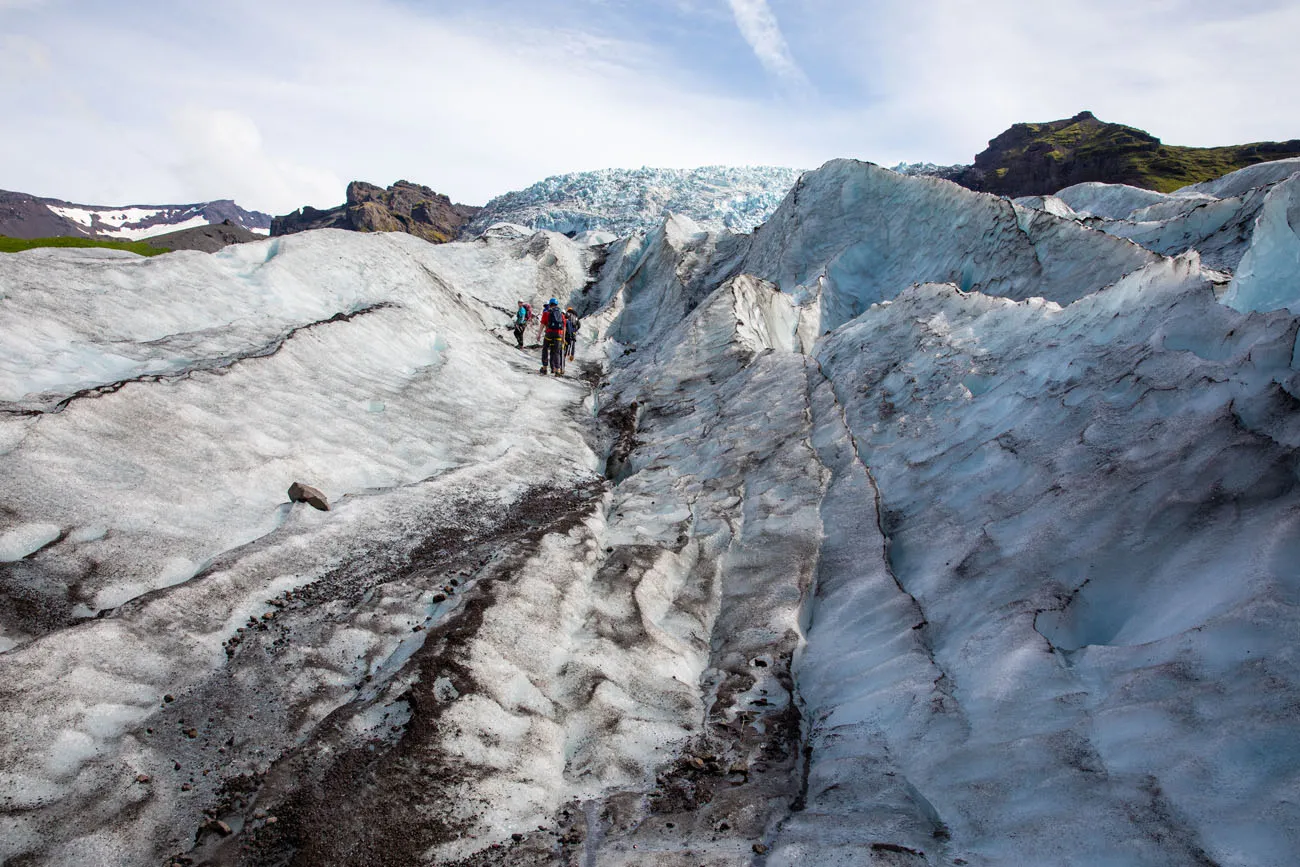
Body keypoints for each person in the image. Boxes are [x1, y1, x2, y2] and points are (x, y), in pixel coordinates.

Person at [539, 299, 566, 375]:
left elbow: (542, 324)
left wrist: (539, 334)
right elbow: (564, 326)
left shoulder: (546, 313)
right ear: (557, 305)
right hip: (558, 334)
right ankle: (557, 370)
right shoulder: (561, 314)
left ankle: (544, 368)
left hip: (549, 333)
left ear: (550, 305)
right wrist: (563, 338)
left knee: (545, 349)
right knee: (556, 352)